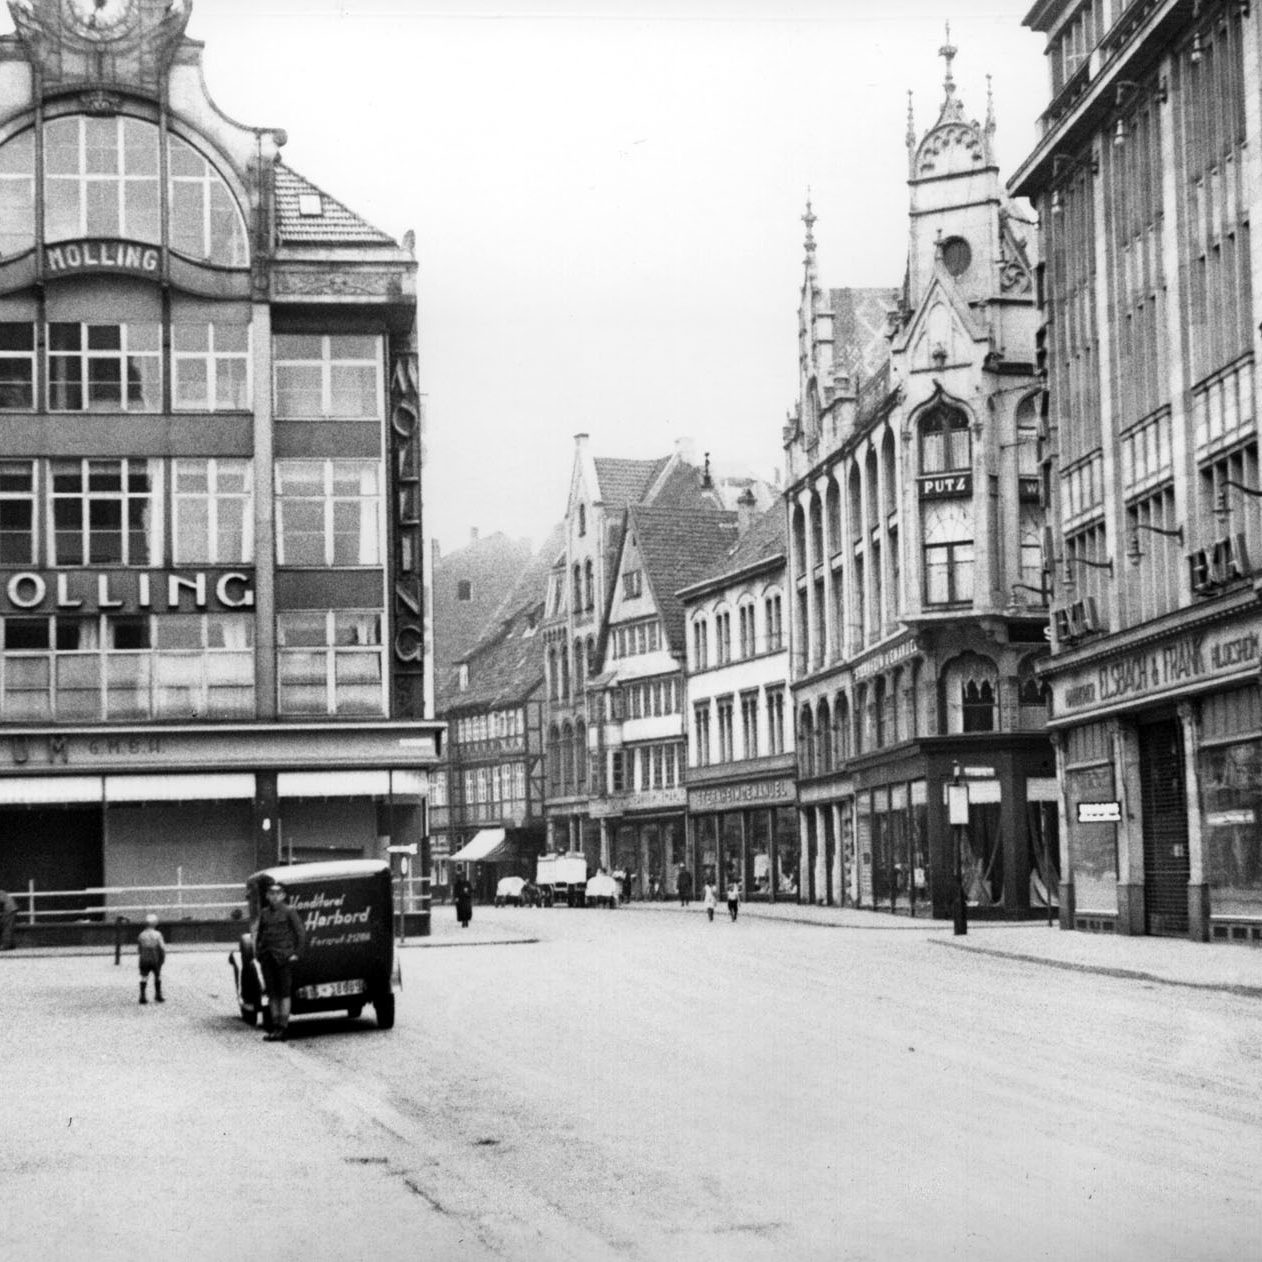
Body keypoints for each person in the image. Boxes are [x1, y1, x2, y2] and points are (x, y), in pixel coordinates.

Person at [253, 880, 306, 1041]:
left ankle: (283, 1027)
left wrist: (296, 953)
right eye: (271, 894)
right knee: (272, 993)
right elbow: (260, 934)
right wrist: (259, 953)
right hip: (268, 957)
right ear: (267, 896)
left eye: (278, 894)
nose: (274, 897)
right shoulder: (264, 913)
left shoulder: (289, 911)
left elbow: (301, 934)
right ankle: (275, 1027)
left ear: (283, 896)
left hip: (283, 957)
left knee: (284, 993)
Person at [137, 912, 166, 1004]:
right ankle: (158, 995)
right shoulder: (158, 934)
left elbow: (139, 949)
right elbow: (162, 947)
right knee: (157, 976)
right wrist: (162, 958)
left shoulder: (141, 935)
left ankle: (142, 996)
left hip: (144, 959)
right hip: (155, 958)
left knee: (144, 977)